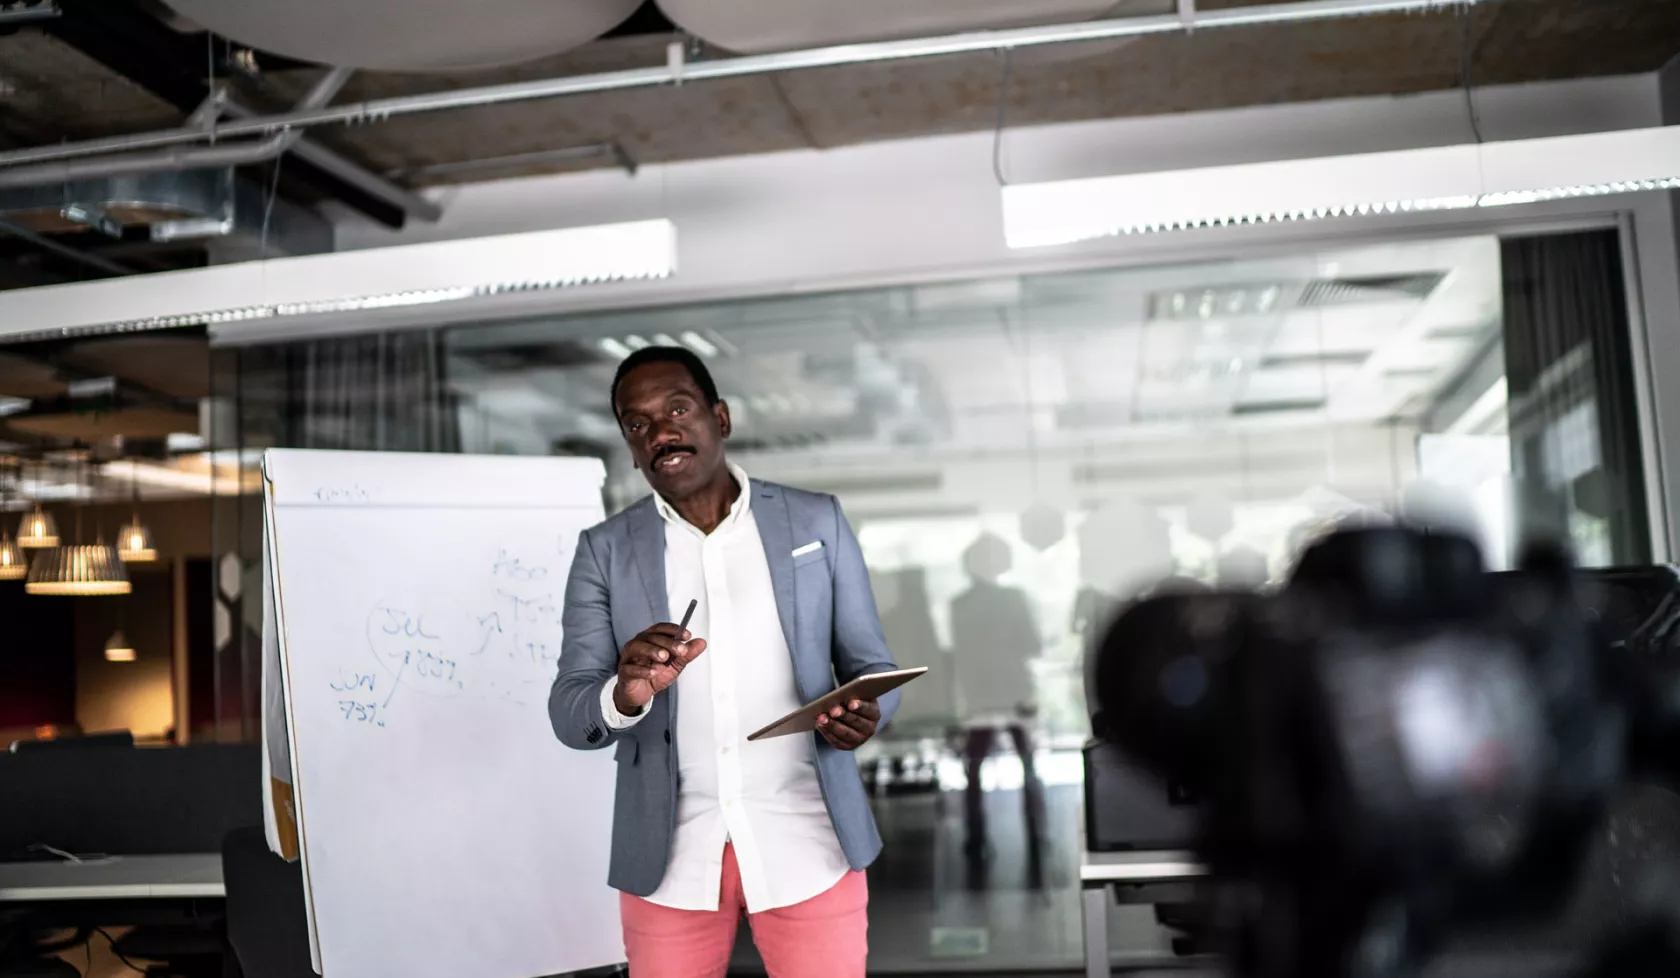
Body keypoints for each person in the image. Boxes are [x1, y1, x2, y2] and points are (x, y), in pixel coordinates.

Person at [549, 346, 901, 978]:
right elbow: (571, 711)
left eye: (678, 409)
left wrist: (867, 714)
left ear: (721, 418)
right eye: (637, 423)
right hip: (667, 857)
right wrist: (624, 692)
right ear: (630, 446)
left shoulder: (816, 521)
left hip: (810, 841)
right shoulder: (603, 551)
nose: (660, 431)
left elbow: (873, 666)